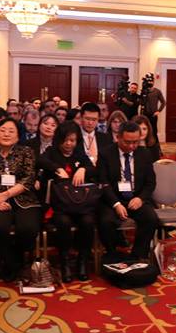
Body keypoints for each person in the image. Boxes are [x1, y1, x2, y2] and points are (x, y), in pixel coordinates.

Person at [0, 118, 41, 281]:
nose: (6, 134)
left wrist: (5, 195)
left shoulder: (26, 152)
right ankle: (13, 264)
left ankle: (12, 262)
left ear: (18, 136)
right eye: (2, 130)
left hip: (24, 199)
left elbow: (28, 178)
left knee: (28, 228)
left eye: (11, 131)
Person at [37, 121, 96, 282]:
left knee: (88, 221)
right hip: (60, 205)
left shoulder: (79, 154)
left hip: (80, 203)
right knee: (63, 222)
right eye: (66, 140)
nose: (69, 144)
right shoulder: (52, 152)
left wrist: (83, 169)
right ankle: (65, 262)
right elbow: (40, 160)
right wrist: (56, 168)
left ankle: (82, 261)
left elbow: (93, 169)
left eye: (72, 140)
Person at [97, 121, 160, 261]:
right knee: (105, 222)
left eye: (135, 142)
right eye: (127, 142)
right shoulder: (105, 154)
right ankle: (112, 255)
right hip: (112, 199)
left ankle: (137, 256)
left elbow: (150, 183)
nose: (131, 146)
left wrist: (141, 198)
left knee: (150, 218)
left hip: (136, 198)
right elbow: (103, 182)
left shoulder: (145, 154)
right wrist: (116, 204)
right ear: (118, 137)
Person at [77, 102, 112, 168]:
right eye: (87, 119)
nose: (90, 123)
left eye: (94, 120)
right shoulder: (75, 137)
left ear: (98, 119)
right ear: (81, 118)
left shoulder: (106, 138)